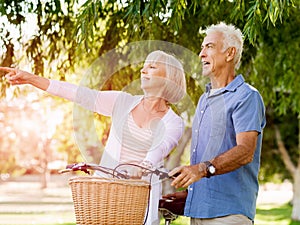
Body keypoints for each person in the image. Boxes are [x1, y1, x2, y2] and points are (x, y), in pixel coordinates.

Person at [0, 50, 186, 225]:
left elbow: (161, 146)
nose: (143, 70)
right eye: (144, 65)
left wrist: (143, 166)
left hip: (138, 197)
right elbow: (77, 94)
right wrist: (31, 79)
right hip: (105, 192)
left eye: (152, 67)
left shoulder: (174, 122)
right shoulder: (122, 101)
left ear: (169, 78)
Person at [166, 22, 266, 225]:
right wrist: (191, 194)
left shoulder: (246, 97)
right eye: (202, 47)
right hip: (199, 214)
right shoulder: (205, 99)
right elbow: (208, 161)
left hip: (228, 215)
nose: (201, 53)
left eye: (209, 46)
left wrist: (200, 170)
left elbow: (245, 151)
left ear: (230, 53)